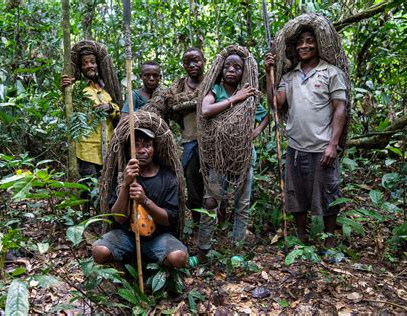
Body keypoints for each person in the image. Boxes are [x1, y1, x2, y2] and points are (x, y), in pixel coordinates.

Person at [265, 28, 347, 248]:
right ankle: (301, 240)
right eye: (300, 42)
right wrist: (268, 73)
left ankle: (329, 243)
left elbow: (340, 109)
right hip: (296, 148)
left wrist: (333, 144)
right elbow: (275, 103)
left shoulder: (331, 73)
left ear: (319, 45)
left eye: (310, 42)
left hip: (322, 147)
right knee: (296, 195)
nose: (304, 46)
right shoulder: (289, 76)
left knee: (328, 194)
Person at [196, 50, 269, 262]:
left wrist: (255, 132)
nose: (231, 70)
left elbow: (265, 116)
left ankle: (236, 252)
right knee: (211, 202)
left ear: (243, 71)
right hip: (220, 157)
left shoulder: (248, 92)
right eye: (228, 66)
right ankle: (203, 249)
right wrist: (234, 99)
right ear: (221, 69)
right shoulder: (215, 90)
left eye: (237, 67)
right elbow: (206, 110)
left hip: (244, 155)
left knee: (242, 204)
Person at [92, 128, 188, 268]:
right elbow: (118, 218)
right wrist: (125, 185)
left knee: (178, 258)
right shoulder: (122, 175)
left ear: (154, 149)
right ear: (128, 149)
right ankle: (123, 263)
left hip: (157, 237)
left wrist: (144, 200)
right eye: (136, 145)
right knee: (99, 252)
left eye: (147, 145)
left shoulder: (168, 177)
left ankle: (155, 266)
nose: (142, 150)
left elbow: (168, 219)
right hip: (127, 236)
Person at [144, 48, 207, 232]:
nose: (192, 65)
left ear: (204, 60)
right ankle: (197, 227)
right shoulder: (179, 85)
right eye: (187, 62)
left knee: (216, 187)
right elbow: (169, 102)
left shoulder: (213, 82)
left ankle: (218, 228)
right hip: (190, 142)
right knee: (193, 188)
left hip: (212, 142)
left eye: (196, 60)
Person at [61, 41, 121, 212]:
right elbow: (66, 107)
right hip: (86, 149)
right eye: (85, 63)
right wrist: (63, 88)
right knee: (88, 189)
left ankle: (106, 218)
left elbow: (117, 111)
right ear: (80, 66)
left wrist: (110, 108)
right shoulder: (78, 87)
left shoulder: (106, 89)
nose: (89, 65)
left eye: (92, 62)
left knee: (109, 186)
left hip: (108, 148)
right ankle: (87, 219)